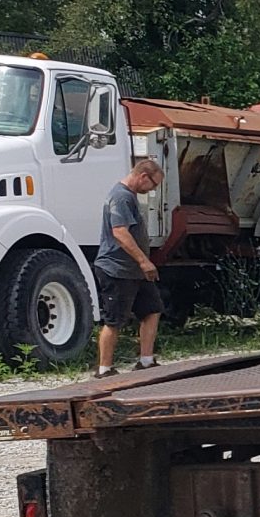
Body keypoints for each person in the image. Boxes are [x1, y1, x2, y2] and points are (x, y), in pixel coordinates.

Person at [94, 158, 166, 377]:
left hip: (135, 271)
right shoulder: (121, 197)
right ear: (143, 176)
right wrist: (144, 260)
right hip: (117, 269)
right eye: (153, 185)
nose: (152, 189)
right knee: (114, 320)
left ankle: (146, 360)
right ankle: (104, 369)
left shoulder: (129, 197)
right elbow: (120, 232)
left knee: (152, 309)